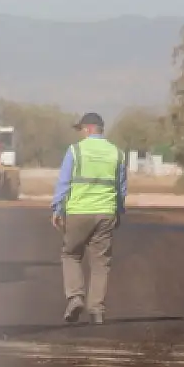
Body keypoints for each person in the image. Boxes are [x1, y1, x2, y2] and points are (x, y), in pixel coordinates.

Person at [51, 112, 127, 325]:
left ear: (88, 129)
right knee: (101, 262)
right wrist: (118, 211)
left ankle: (75, 297)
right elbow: (121, 187)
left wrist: (57, 209)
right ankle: (97, 309)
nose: (81, 134)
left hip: (78, 211)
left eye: (81, 130)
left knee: (71, 254)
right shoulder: (117, 153)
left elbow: (64, 182)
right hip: (105, 212)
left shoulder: (75, 150)